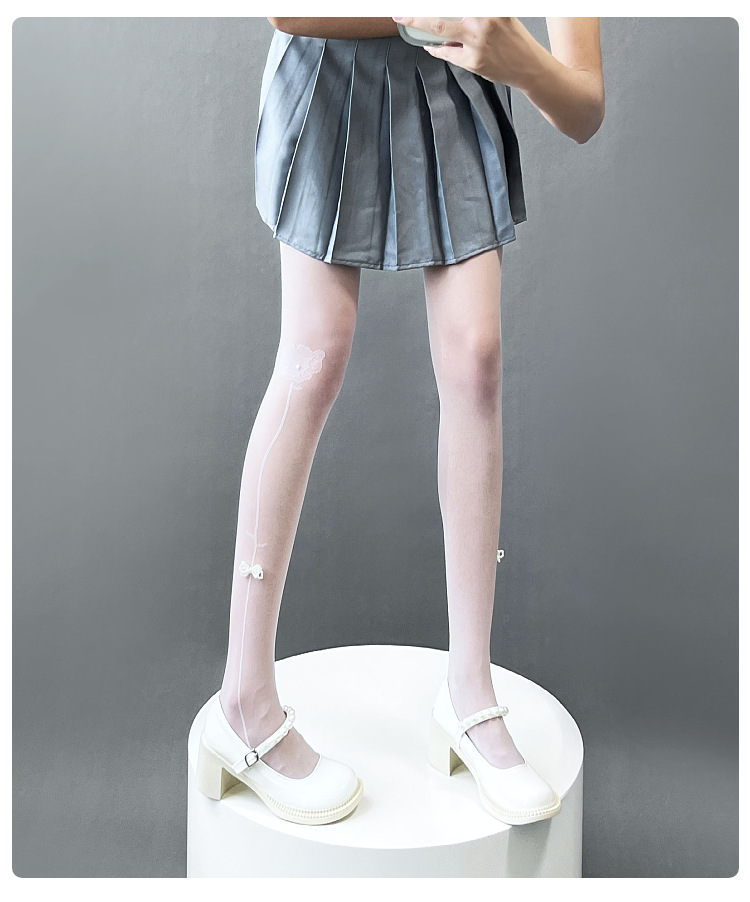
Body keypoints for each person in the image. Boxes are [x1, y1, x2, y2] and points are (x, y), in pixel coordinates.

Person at [195, 16, 604, 827]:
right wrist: (445, 14)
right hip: (331, 73)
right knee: (315, 355)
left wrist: (519, 56)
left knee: (476, 358)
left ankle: (470, 692)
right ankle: (243, 697)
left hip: (454, 83)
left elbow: (584, 106)